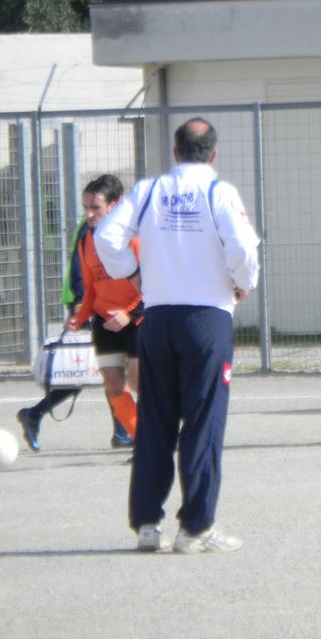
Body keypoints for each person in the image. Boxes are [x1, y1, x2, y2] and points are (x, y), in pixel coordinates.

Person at [96, 117, 260, 554]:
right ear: (214, 153)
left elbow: (107, 235)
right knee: (203, 421)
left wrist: (131, 273)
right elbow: (243, 247)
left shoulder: (149, 190)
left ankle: (147, 524)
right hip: (206, 317)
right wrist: (243, 282)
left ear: (174, 152)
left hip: (158, 318)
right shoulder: (219, 192)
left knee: (155, 420)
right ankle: (196, 528)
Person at [16, 175, 140, 452]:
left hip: (133, 319)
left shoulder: (132, 236)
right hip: (99, 315)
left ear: (114, 205)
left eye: (95, 207)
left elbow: (151, 285)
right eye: (86, 207)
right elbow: (87, 282)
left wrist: (130, 314)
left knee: (134, 380)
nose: (89, 213)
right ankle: (135, 436)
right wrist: (82, 313)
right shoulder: (87, 237)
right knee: (104, 378)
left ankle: (136, 435)